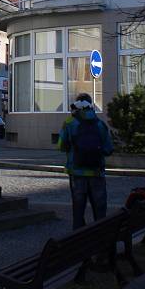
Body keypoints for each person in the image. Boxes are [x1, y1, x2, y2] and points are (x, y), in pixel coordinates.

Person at [57, 93, 114, 230]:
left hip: (76, 172)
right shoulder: (100, 124)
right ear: (91, 105)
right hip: (96, 172)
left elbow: (61, 145)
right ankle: (100, 241)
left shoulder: (70, 123)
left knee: (78, 210)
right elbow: (108, 149)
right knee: (100, 211)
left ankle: (78, 242)